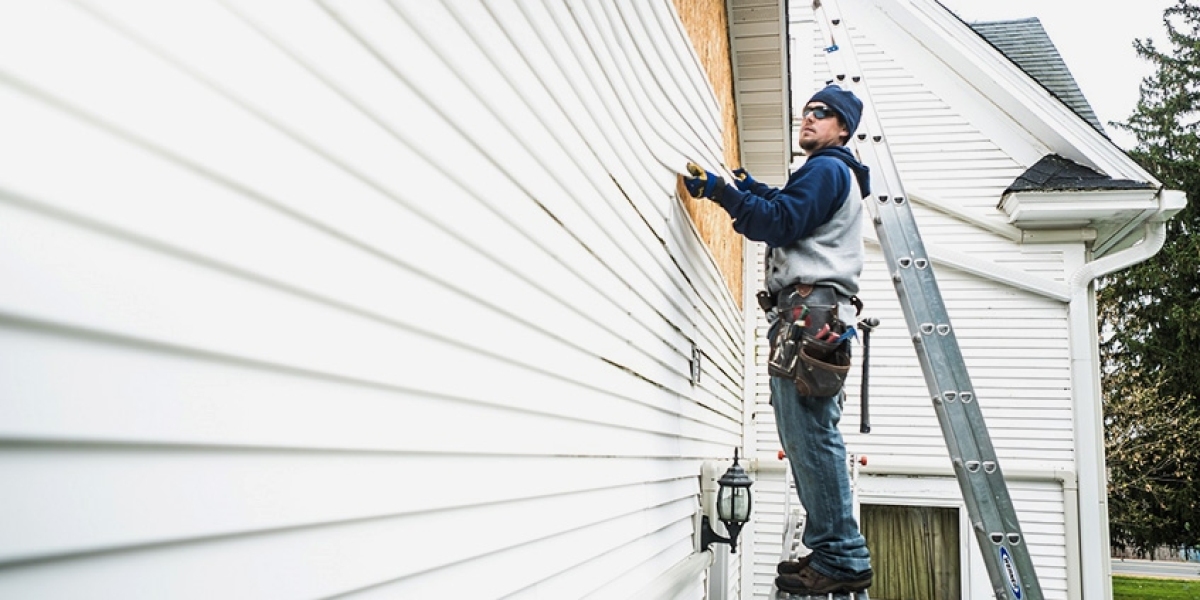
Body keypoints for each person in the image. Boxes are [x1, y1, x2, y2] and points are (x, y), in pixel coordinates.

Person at [682, 84, 873, 595]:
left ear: (843, 129)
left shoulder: (828, 168)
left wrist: (725, 194)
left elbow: (781, 223)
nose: (807, 119)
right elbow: (790, 209)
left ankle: (841, 554)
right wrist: (752, 188)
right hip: (813, 315)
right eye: (806, 111)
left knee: (811, 435)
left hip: (809, 315)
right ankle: (835, 548)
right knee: (806, 433)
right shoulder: (832, 175)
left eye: (822, 113)